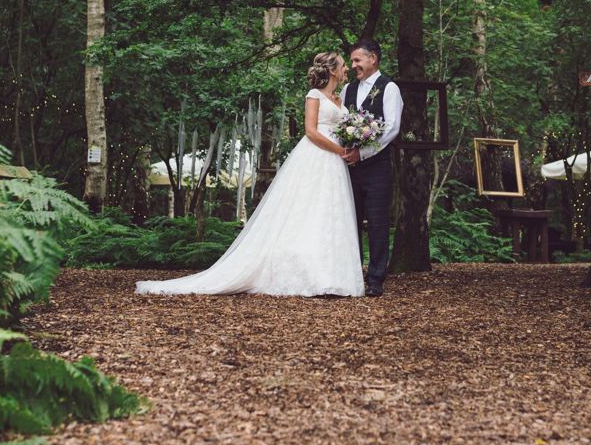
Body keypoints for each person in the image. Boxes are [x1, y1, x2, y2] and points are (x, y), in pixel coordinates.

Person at [136, 52, 364, 297]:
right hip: (317, 156)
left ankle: (331, 274)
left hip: (335, 164)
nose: (346, 70)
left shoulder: (340, 99)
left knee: (330, 213)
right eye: (342, 66)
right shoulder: (314, 96)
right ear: (331, 70)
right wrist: (340, 149)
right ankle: (306, 272)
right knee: (306, 209)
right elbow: (310, 131)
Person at [340, 39, 403, 297]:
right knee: (349, 220)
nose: (354, 65)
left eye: (357, 60)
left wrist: (362, 153)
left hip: (377, 166)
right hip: (348, 167)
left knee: (377, 222)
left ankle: (376, 278)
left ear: (373, 58)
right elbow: (341, 123)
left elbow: (392, 128)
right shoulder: (347, 90)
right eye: (352, 61)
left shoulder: (389, 88)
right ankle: (351, 275)